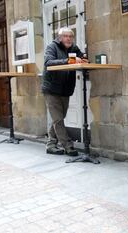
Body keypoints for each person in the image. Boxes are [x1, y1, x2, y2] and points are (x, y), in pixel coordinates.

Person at [41, 27, 88, 156]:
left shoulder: (73, 48)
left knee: (59, 118)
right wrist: (68, 61)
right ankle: (68, 146)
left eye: (70, 36)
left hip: (65, 89)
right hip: (51, 88)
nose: (68, 39)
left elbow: (82, 56)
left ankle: (51, 144)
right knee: (58, 119)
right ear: (59, 37)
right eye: (66, 36)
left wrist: (84, 58)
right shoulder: (52, 47)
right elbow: (48, 62)